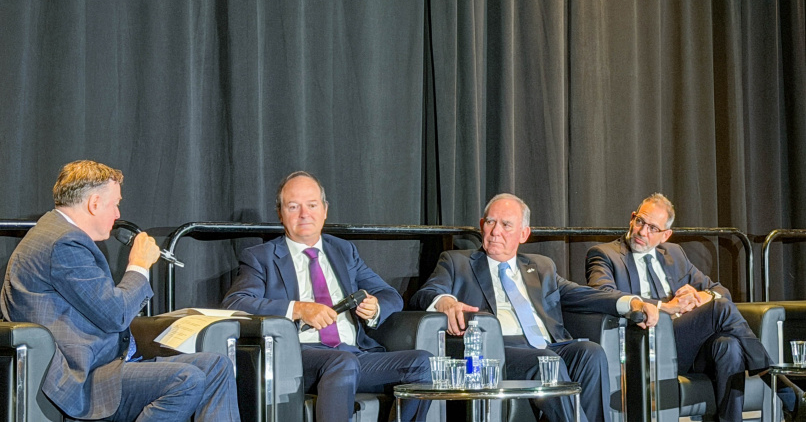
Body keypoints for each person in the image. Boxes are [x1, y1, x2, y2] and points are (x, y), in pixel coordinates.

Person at [0, 160, 239, 421]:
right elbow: (115, 314)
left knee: (217, 366)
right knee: (186, 379)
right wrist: (138, 265)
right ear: (94, 203)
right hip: (85, 379)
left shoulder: (58, 233)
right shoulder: (63, 243)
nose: (117, 214)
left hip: (108, 365)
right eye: (115, 203)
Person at [410, 193, 659, 422]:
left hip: (546, 344)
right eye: (490, 222)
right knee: (546, 361)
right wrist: (445, 301)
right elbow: (425, 294)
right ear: (481, 224)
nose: (495, 231)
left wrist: (632, 302)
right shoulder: (457, 262)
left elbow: (582, 294)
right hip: (495, 350)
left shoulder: (540, 267)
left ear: (523, 234)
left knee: (590, 353)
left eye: (506, 225)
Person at [222, 171, 431, 422]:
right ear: (280, 213)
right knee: (342, 362)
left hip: (356, 355)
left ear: (325, 210)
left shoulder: (343, 251)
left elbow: (390, 295)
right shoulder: (261, 257)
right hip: (301, 355)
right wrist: (298, 309)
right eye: (293, 206)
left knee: (424, 363)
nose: (304, 214)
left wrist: (375, 308)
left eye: (312, 205)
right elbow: (236, 303)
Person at [585, 192, 777, 421]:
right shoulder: (605, 254)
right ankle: (775, 379)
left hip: (685, 348)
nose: (642, 232)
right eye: (640, 222)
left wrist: (700, 295)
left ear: (666, 235)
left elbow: (720, 290)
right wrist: (665, 306)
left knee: (729, 347)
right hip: (645, 343)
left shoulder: (674, 255)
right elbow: (600, 294)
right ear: (632, 218)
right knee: (721, 309)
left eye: (653, 228)